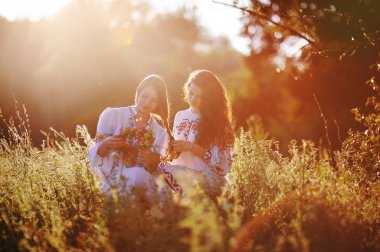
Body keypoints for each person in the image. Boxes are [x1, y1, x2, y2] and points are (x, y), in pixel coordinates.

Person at [88, 75, 171, 201]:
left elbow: (153, 169)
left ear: (159, 103)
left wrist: (153, 160)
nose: (147, 103)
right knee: (137, 175)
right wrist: (106, 143)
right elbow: (97, 154)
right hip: (112, 176)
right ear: (138, 92)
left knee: (164, 192)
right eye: (145, 96)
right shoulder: (113, 115)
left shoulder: (160, 133)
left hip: (142, 180)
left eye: (154, 100)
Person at [166, 69, 234, 195]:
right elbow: (174, 155)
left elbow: (220, 164)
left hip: (205, 179)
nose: (193, 99)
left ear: (210, 98)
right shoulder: (180, 115)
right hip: (179, 174)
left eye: (199, 97)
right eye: (191, 93)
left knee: (162, 173)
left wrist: (191, 147)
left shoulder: (219, 122)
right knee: (154, 171)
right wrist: (173, 149)